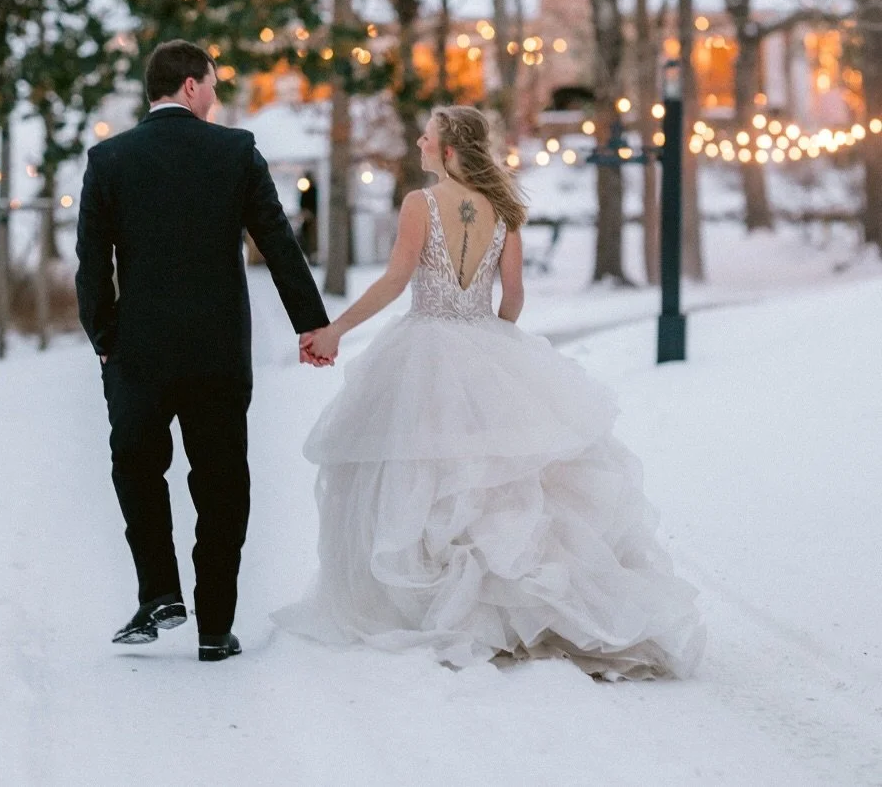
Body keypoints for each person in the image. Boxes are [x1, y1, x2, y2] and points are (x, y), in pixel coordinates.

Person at [277, 105, 705, 678]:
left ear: (449, 150)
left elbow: (396, 280)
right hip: (485, 341)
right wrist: (492, 343)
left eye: (427, 135)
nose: (420, 141)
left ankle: (432, 601)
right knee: (487, 476)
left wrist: (335, 330)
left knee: (425, 474)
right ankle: (500, 606)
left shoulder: (420, 203)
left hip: (424, 348)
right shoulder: (504, 211)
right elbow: (515, 296)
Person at [76, 40, 330, 662]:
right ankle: (215, 627)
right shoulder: (235, 151)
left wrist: (105, 339)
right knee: (221, 481)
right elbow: (278, 241)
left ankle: (160, 592)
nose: (216, 95)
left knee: (137, 468)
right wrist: (310, 324)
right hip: (217, 352)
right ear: (190, 86)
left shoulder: (109, 159)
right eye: (213, 83)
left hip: (139, 351)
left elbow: (91, 265)